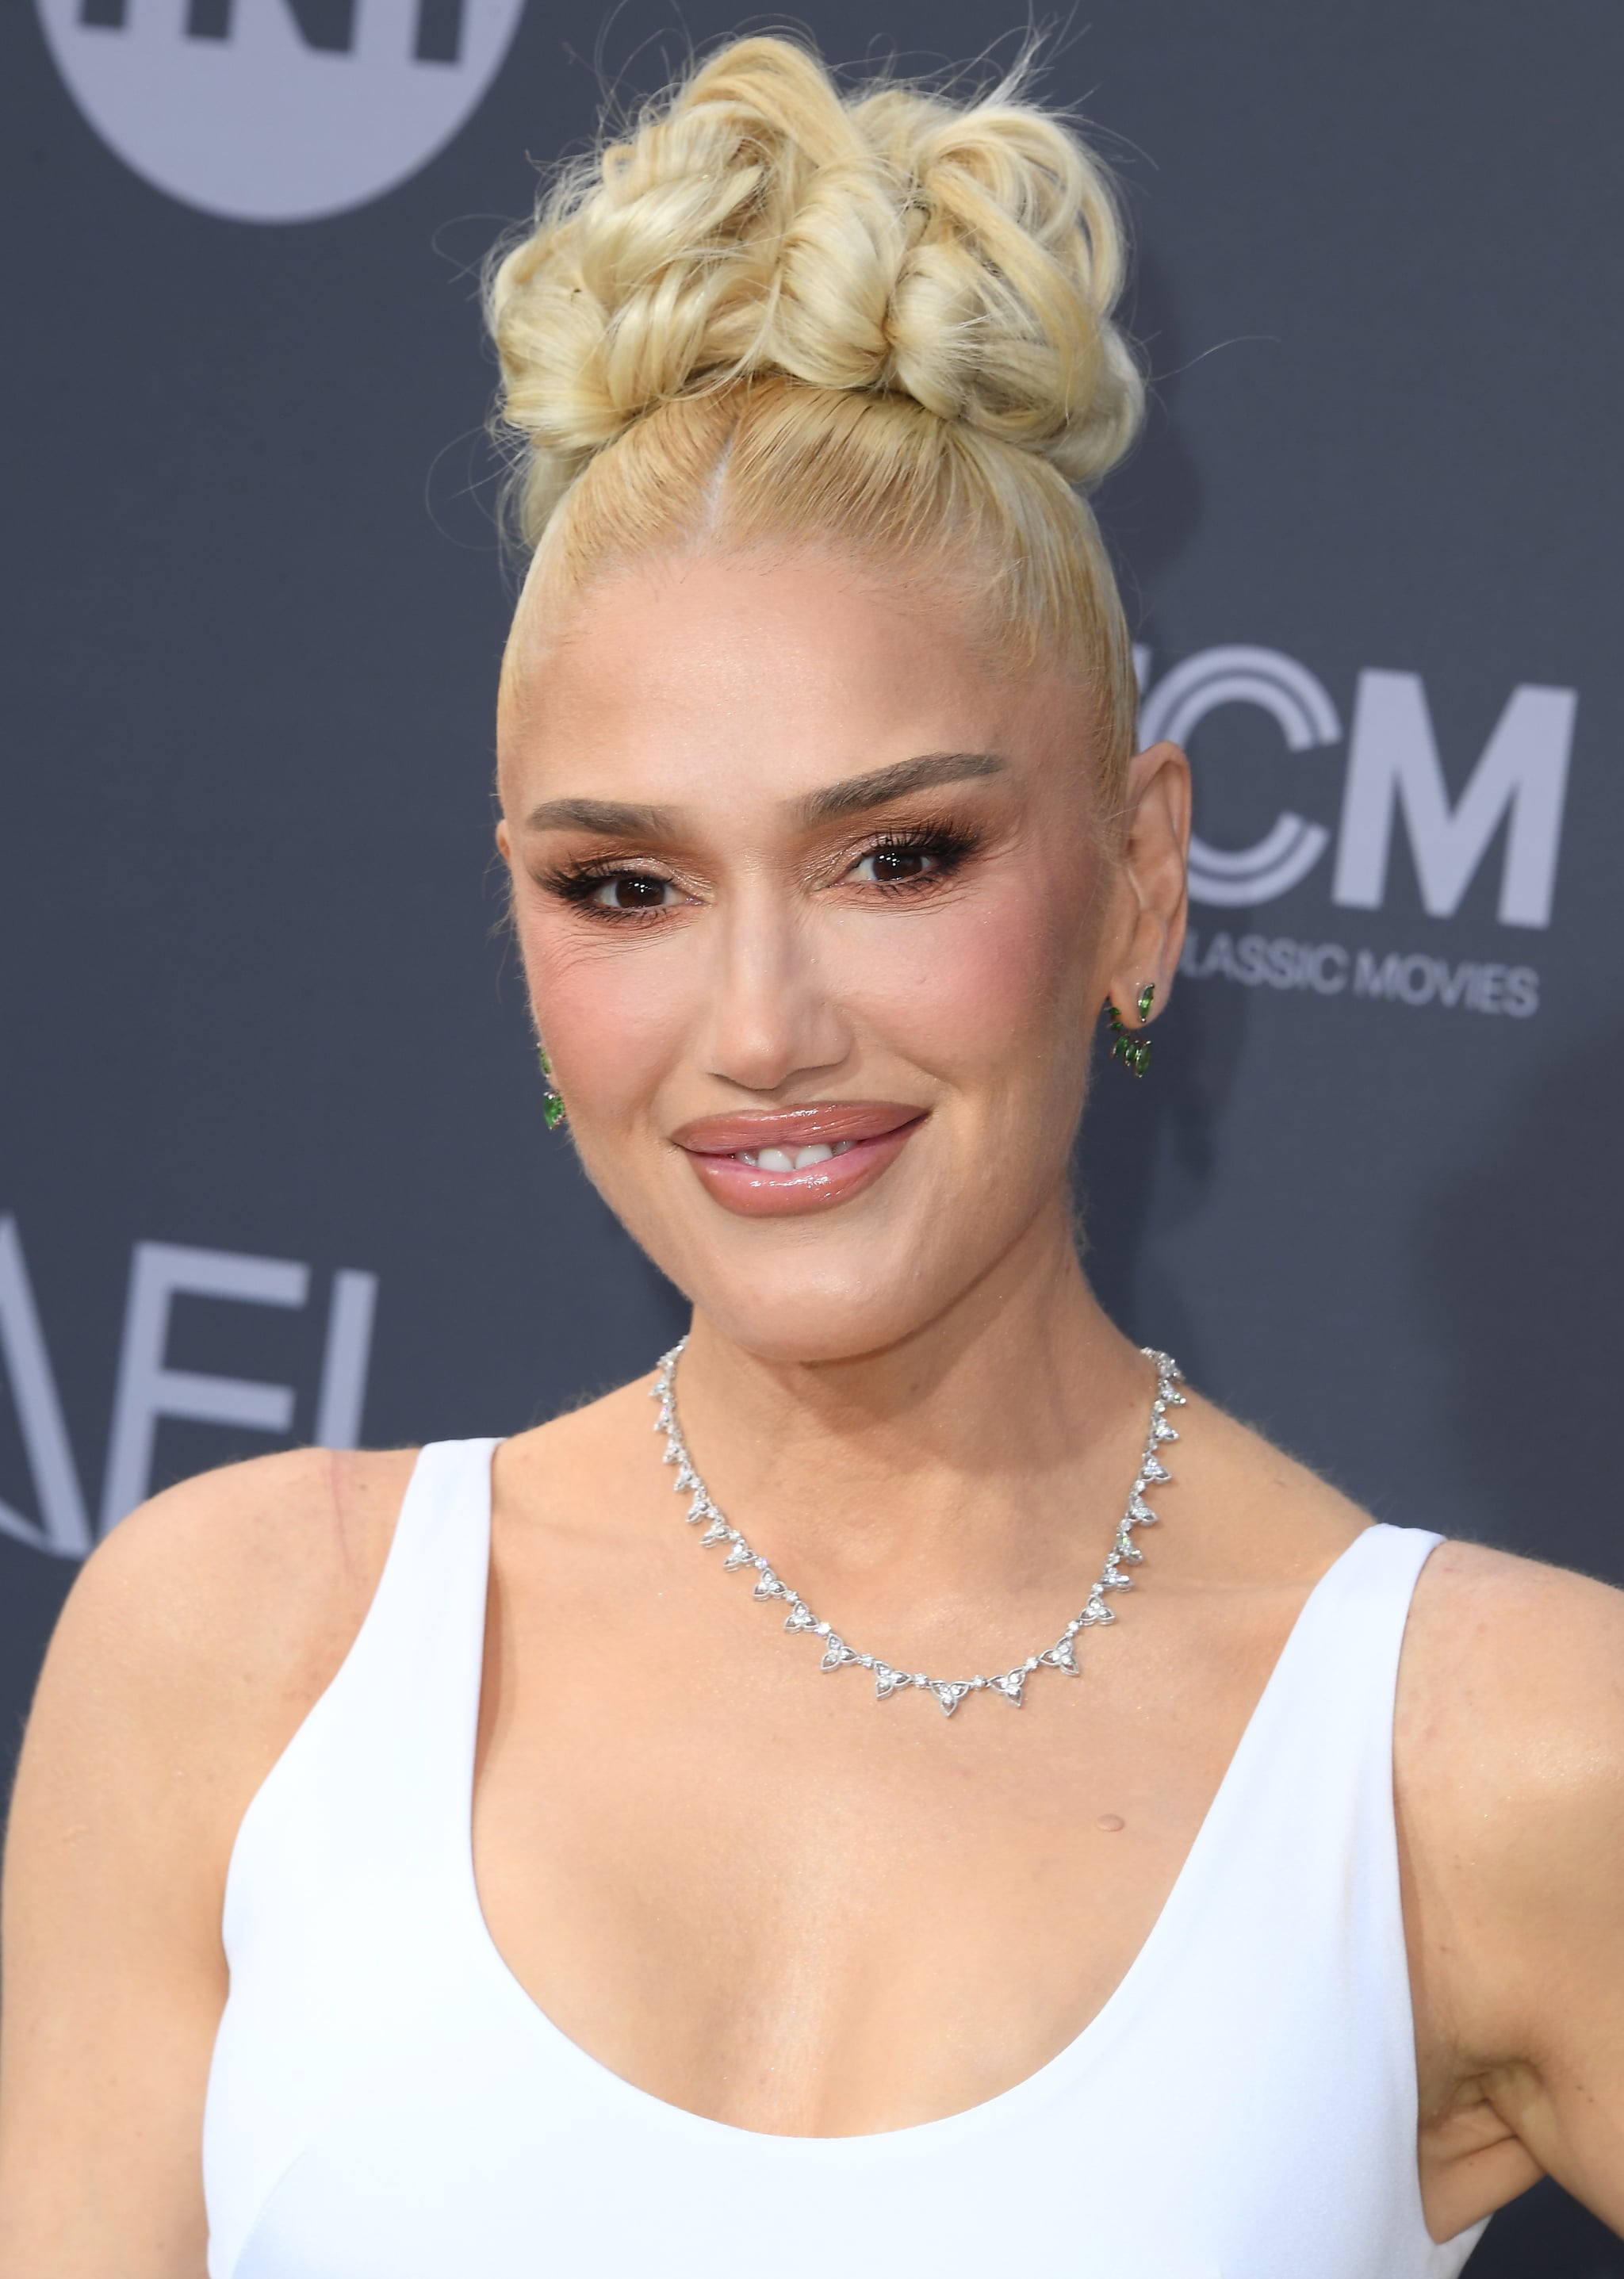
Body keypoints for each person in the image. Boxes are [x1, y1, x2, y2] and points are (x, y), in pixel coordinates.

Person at [1, 33, 1620, 2279]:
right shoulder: (241, 1650)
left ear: (1140, 876)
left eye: (899, 854)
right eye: (628, 887)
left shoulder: (1486, 1754)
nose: (758, 1030)